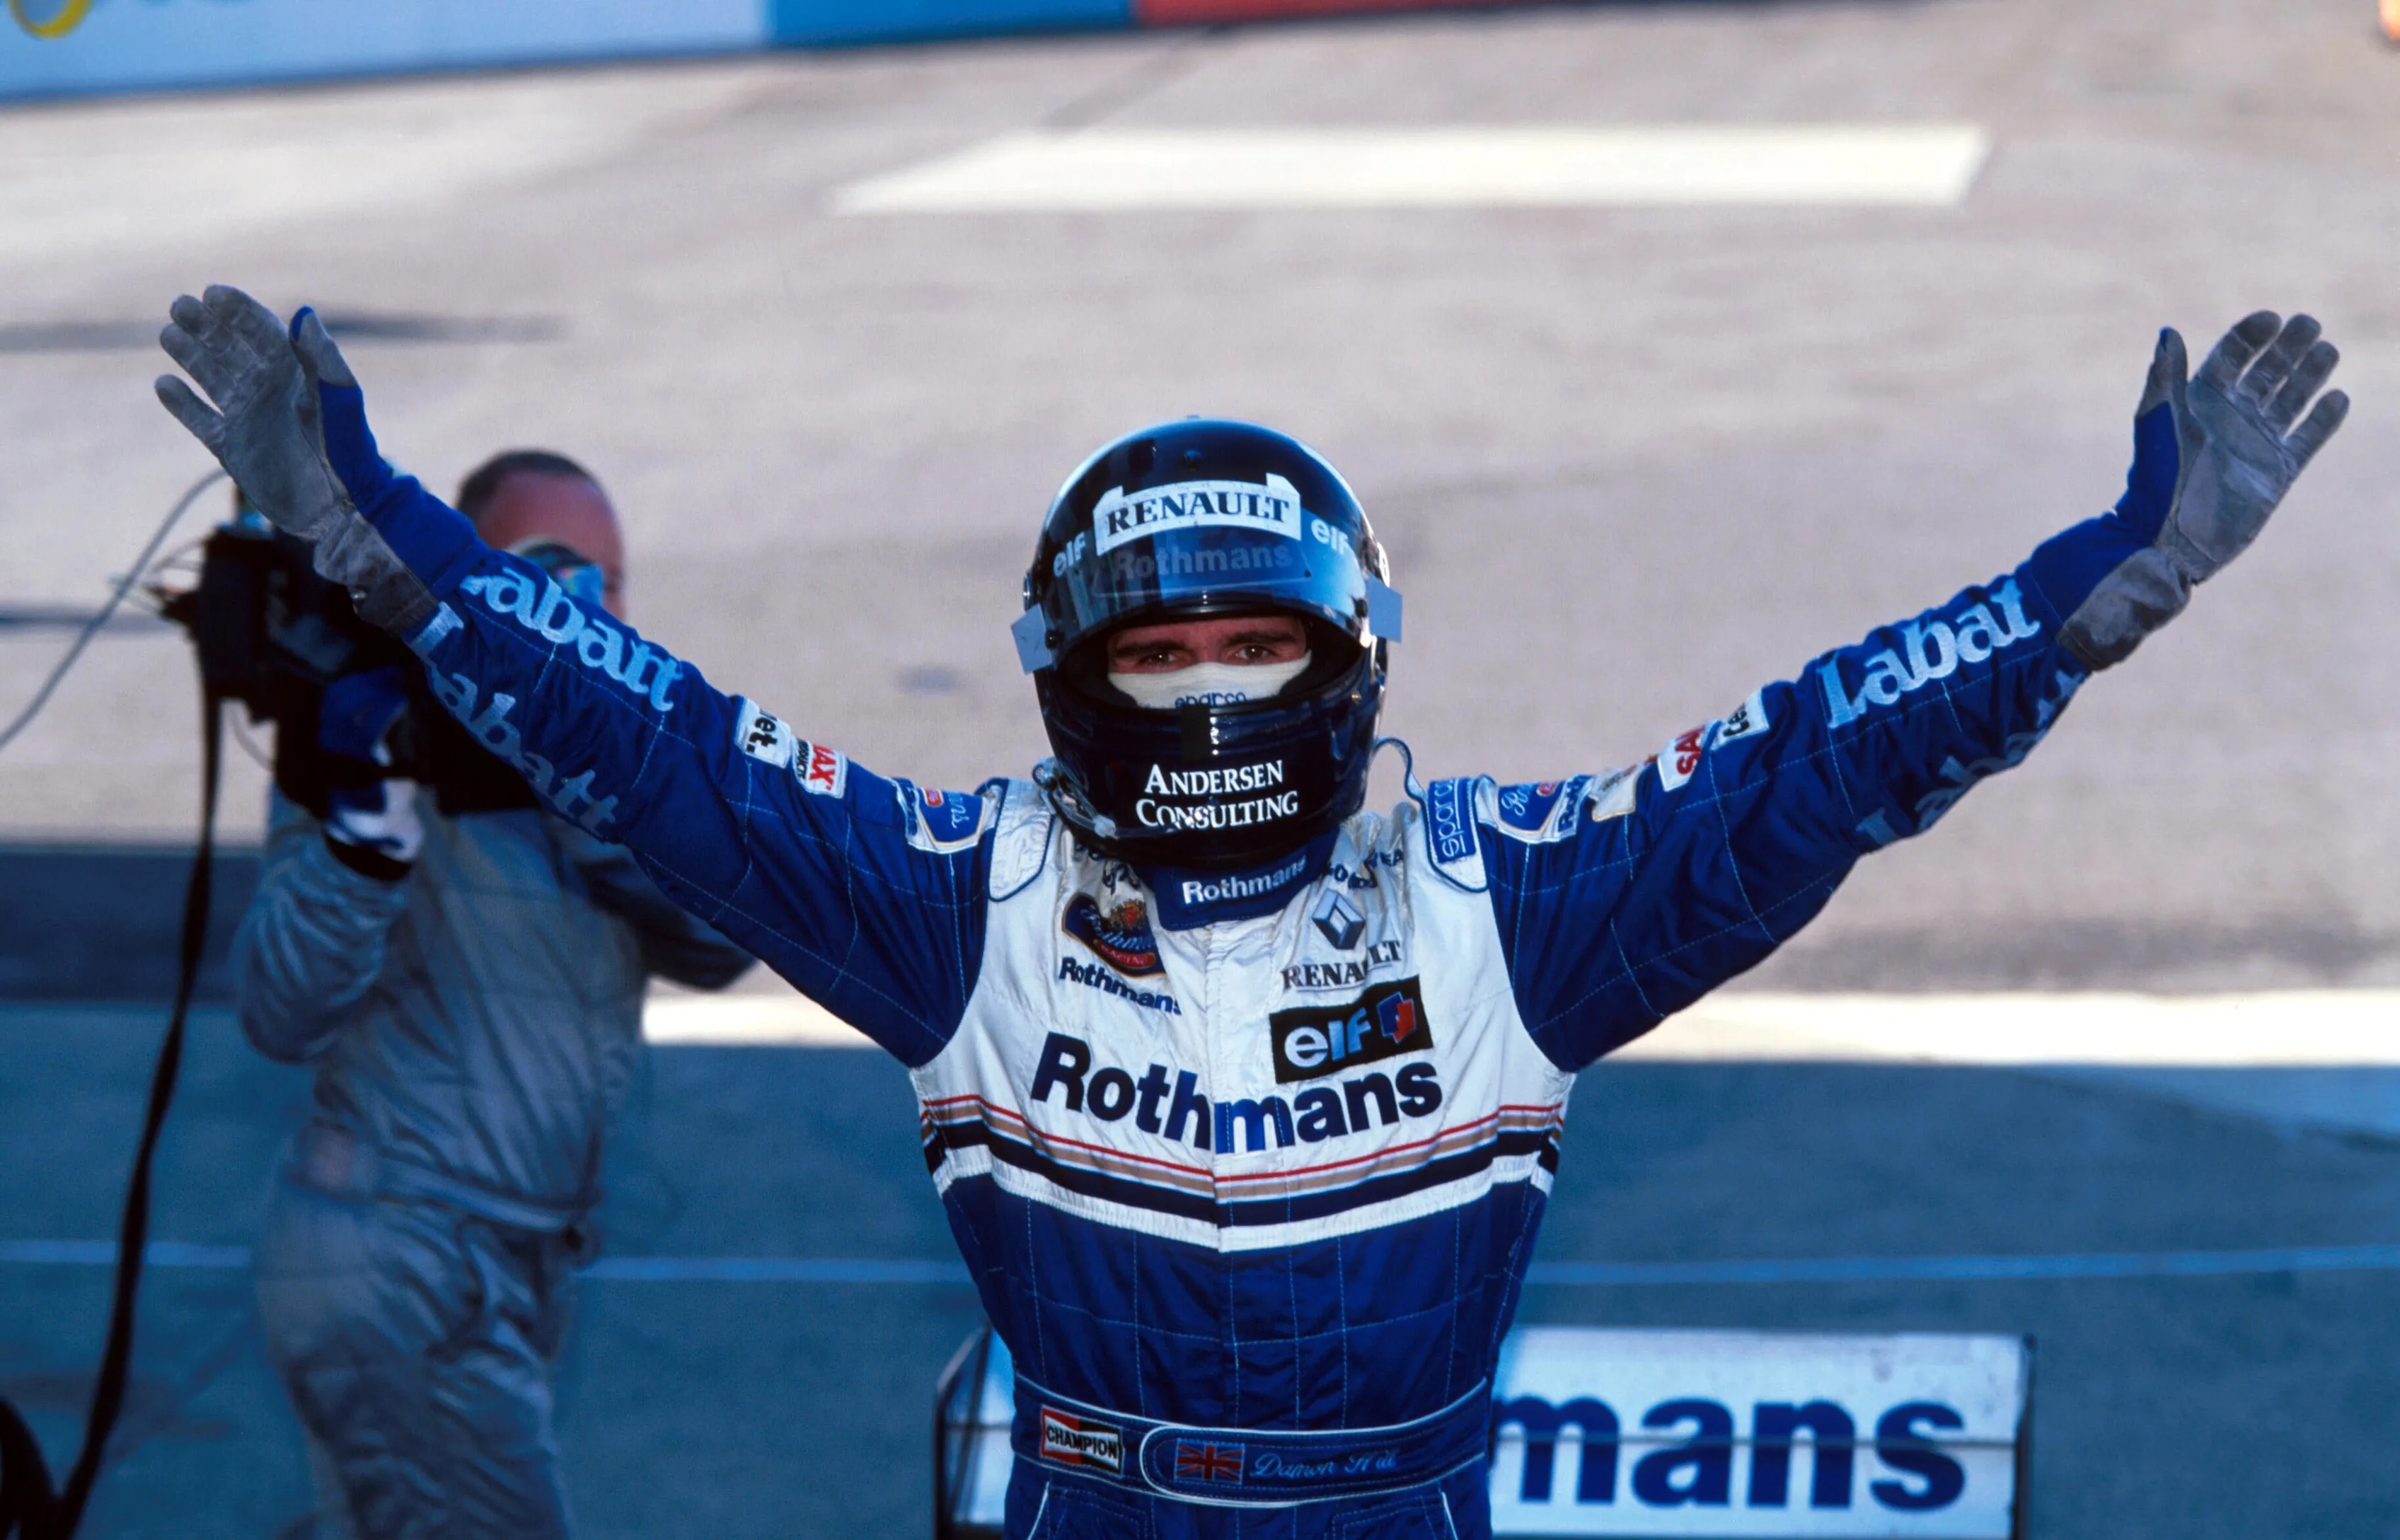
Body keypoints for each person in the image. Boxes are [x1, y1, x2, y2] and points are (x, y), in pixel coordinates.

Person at [157, 286, 2344, 1539]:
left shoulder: (1496, 902)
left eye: (1257, 644)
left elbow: (1817, 760)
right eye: (1159, 651)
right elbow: (663, 744)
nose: (1211, 690)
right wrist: (380, 538)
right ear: (1068, 673)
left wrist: (2107, 586)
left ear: (1348, 660)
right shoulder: (970, 902)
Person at [228, 447, 754, 1540]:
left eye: (605, 582)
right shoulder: (385, 729)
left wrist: (579, 775)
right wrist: (364, 833)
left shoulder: (620, 757)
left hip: (515, 1263)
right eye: (544, 571)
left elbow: (723, 943)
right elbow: (281, 1011)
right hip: (401, 1256)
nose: (582, 606)